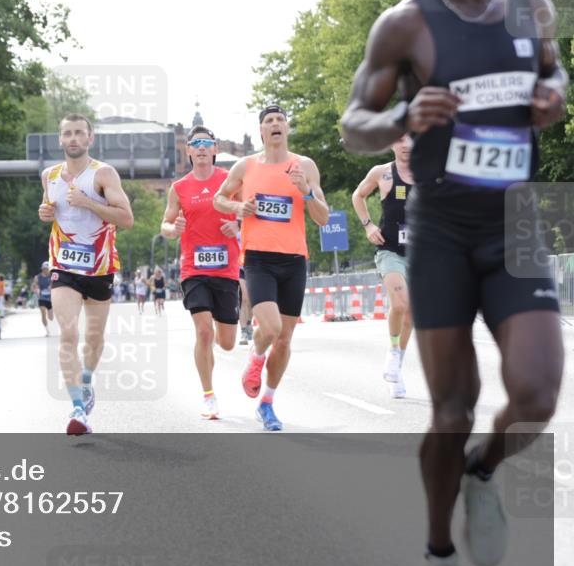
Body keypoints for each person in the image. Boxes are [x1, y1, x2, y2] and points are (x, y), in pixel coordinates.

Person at [339, 0, 567, 566]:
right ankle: (439, 550)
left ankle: (484, 468)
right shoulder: (405, 23)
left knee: (536, 393)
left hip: (515, 222)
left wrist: (552, 92)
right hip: (439, 231)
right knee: (453, 407)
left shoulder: (531, 7)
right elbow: (356, 123)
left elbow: (553, 70)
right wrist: (403, 117)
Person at [213, 105, 330, 431]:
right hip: (259, 259)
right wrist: (239, 206)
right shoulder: (245, 165)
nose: (275, 124)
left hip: (294, 259)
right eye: (269, 121)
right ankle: (255, 359)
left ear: (287, 129)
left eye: (280, 120)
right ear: (262, 131)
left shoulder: (304, 166)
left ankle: (267, 403)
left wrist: (306, 192)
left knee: (285, 338)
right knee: (273, 326)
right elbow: (219, 199)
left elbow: (322, 217)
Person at [38, 113, 134, 435]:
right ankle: (78, 407)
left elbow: (126, 218)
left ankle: (88, 382)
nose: (73, 139)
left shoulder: (103, 174)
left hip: (99, 267)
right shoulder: (48, 175)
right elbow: (49, 210)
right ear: (60, 139)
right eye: (67, 134)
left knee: (93, 338)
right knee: (68, 333)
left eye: (79, 133)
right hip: (63, 264)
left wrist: (88, 202)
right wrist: (44, 212)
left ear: (90, 139)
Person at [161, 125, 240, 419]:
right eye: (197, 144)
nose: (203, 148)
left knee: (227, 342)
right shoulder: (179, 188)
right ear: (189, 151)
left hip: (227, 269)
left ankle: (225, 336)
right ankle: (208, 395)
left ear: (215, 149)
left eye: (208, 143)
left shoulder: (230, 180)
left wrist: (238, 226)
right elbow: (166, 225)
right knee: (203, 332)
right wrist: (173, 229)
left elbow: (248, 211)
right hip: (193, 268)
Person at [352, 134, 415, 398]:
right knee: (399, 304)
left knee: (410, 313)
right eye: (399, 139)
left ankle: (396, 369)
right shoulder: (382, 173)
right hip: (390, 251)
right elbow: (358, 195)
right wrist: (368, 226)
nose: (405, 144)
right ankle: (392, 350)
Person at [34, 262, 55, 336]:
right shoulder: (37, 277)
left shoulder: (52, 276)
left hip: (51, 298)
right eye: (46, 269)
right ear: (42, 269)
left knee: (51, 317)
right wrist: (36, 289)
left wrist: (52, 287)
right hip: (42, 297)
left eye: (48, 269)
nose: (47, 271)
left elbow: (56, 286)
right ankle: (47, 330)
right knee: (43, 312)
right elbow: (34, 286)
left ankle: (52, 328)